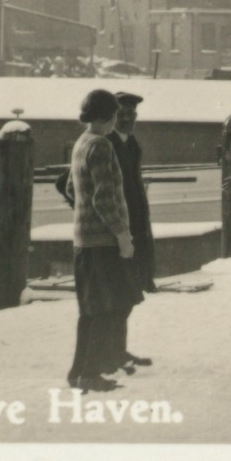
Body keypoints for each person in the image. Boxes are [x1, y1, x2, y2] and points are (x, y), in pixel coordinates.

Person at [66, 88, 140, 392]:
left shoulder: (81, 142)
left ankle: (78, 372)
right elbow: (105, 199)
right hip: (103, 242)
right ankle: (90, 374)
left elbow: (71, 189)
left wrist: (85, 217)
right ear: (109, 115)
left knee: (91, 309)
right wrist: (122, 236)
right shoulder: (102, 145)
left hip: (83, 241)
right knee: (108, 308)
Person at [108, 91, 156, 371]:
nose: (127, 119)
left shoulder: (131, 143)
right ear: (112, 116)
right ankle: (111, 353)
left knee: (127, 293)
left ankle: (118, 351)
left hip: (135, 230)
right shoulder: (106, 144)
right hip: (117, 233)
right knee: (118, 293)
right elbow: (69, 184)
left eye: (132, 114)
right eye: (121, 114)